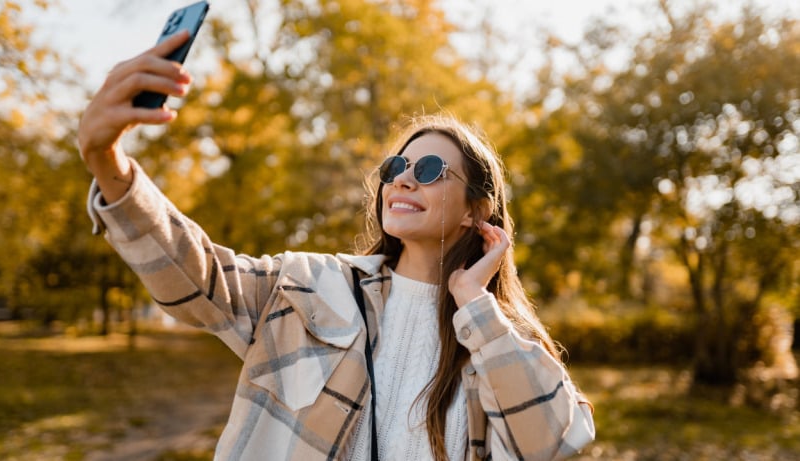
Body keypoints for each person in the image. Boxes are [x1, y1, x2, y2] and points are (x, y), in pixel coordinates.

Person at [78, 31, 595, 461]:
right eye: (396, 168)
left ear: (474, 212)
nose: (403, 181)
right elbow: (197, 278)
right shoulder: (308, 287)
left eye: (431, 170)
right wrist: (110, 164)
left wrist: (475, 306)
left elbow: (557, 441)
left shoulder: (499, 335)